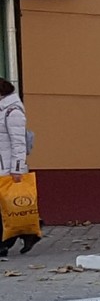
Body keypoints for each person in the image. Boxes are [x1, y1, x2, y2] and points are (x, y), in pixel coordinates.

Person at [0, 78, 37, 256]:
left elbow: (18, 143)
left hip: (8, 168)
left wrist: (17, 169)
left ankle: (4, 244)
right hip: (2, 165)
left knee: (7, 206)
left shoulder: (12, 112)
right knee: (9, 207)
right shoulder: (2, 110)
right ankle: (29, 232)